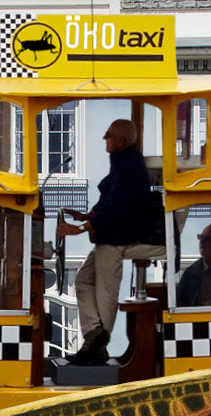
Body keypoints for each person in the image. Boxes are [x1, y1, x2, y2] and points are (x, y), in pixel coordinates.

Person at [61, 119, 159, 365]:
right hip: (110, 237)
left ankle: (96, 346)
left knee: (105, 294)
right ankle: (95, 334)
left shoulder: (130, 168)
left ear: (120, 141)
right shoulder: (123, 164)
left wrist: (80, 228)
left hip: (117, 241)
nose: (104, 138)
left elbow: (117, 208)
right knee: (83, 280)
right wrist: (87, 216)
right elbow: (109, 201)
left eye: (108, 135)